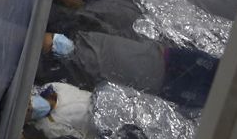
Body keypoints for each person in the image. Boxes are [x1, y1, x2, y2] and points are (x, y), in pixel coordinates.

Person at [41, 31, 219, 108]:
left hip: (154, 69)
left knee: (87, 54)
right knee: (86, 54)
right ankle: (52, 46)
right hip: (154, 68)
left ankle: (52, 46)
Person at [28, 82, 94, 139]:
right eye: (28, 111)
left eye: (29, 103)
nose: (32, 107)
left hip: (98, 100)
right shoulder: (48, 127)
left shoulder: (53, 87)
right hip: (95, 126)